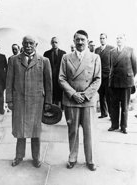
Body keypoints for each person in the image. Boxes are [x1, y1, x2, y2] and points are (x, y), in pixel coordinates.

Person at [6, 35, 52, 167]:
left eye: (31, 43)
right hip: (19, 101)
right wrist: (9, 100)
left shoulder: (44, 61)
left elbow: (48, 84)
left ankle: (36, 158)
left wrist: (48, 102)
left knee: (35, 132)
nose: (28, 45)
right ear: (22, 44)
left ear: (36, 45)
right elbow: (8, 82)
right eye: (26, 43)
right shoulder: (14, 60)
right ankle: (19, 156)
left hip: (36, 102)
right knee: (20, 131)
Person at [59, 30, 101, 171]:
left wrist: (85, 94)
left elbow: (97, 79)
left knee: (89, 132)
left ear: (88, 41)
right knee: (73, 131)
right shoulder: (66, 57)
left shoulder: (95, 57)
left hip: (87, 101)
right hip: (71, 101)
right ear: (74, 41)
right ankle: (72, 158)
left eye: (83, 39)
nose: (80, 42)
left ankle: (91, 160)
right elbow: (61, 78)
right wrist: (73, 94)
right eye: (78, 39)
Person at [108, 34, 137, 134]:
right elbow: (111, 67)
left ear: (125, 40)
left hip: (126, 82)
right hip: (114, 82)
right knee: (114, 105)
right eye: (117, 38)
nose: (119, 40)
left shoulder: (130, 50)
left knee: (125, 106)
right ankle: (114, 125)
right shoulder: (112, 52)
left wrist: (129, 77)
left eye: (121, 38)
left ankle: (124, 126)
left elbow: (135, 66)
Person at [95, 33, 114, 118]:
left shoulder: (111, 49)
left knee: (109, 96)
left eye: (103, 38)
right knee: (101, 95)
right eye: (100, 38)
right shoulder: (97, 50)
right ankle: (104, 113)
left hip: (108, 76)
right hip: (99, 76)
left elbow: (113, 62)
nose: (102, 40)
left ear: (106, 39)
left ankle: (111, 114)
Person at [44, 37, 66, 108]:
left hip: (60, 77)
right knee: (51, 94)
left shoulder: (63, 53)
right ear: (51, 43)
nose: (54, 44)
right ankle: (52, 108)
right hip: (50, 78)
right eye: (53, 42)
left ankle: (61, 109)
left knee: (59, 94)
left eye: (56, 42)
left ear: (58, 43)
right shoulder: (46, 54)